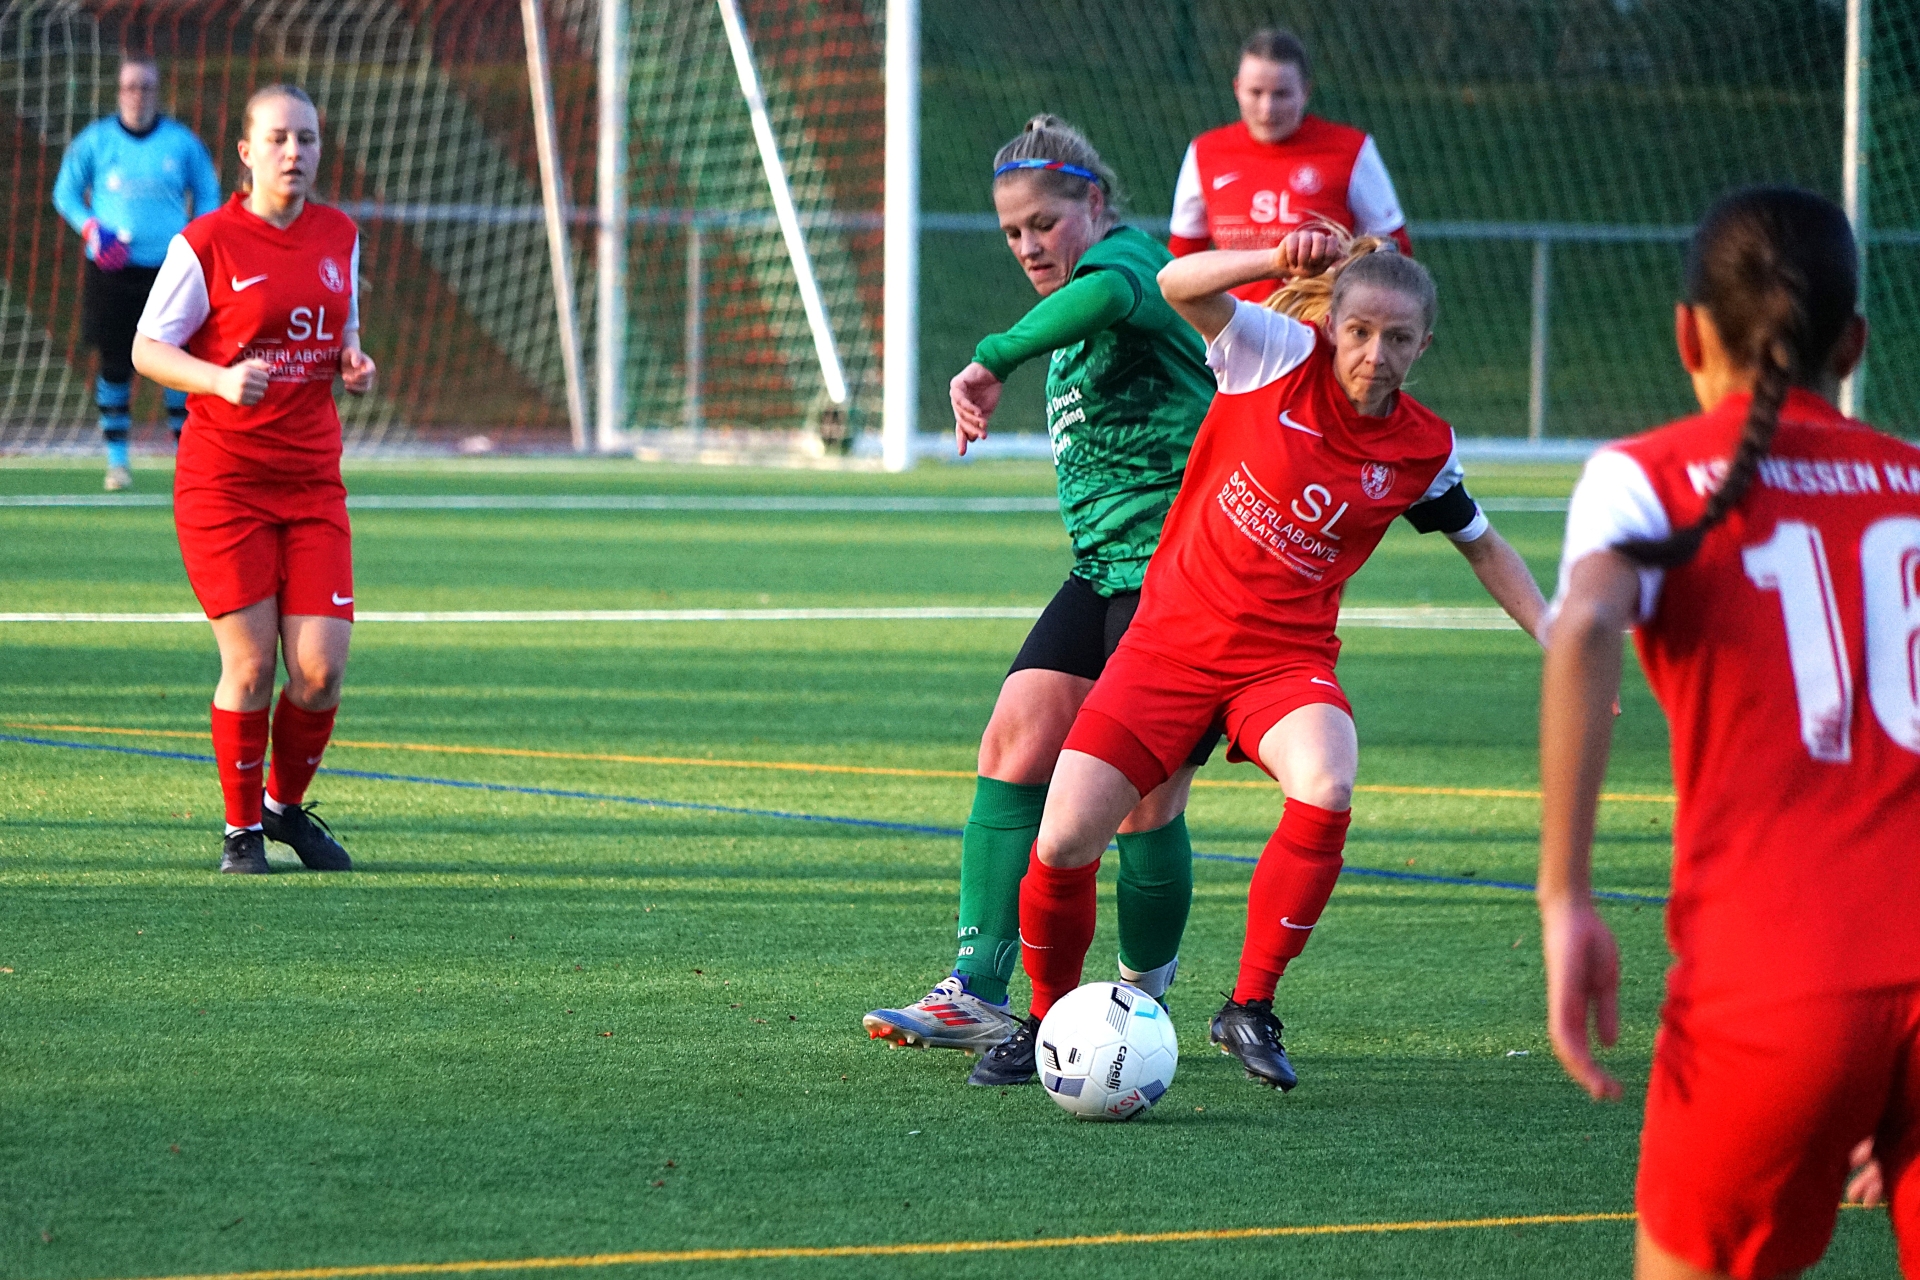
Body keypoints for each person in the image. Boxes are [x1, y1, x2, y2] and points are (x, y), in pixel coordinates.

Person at [969, 226, 1549, 1090]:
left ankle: (1249, 1006)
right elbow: (1177, 281)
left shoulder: (1424, 446)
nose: (1376, 354)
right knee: (1061, 840)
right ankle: (1048, 1021)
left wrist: (1559, 637)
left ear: (1424, 345)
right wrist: (1277, 259)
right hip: (1166, 647)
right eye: (1360, 332)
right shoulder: (1271, 355)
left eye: (1398, 338)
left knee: (1328, 780)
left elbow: (1484, 545)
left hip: (1281, 663)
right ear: (1332, 325)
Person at [1539, 186, 1920, 1279]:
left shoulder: (1645, 476)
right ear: (1853, 344)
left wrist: (1566, 898)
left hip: (1781, 983)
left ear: (1687, 334)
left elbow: (1585, 628)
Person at [862, 115, 1220, 1076]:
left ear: (1094, 204)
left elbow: (1108, 293)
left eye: (1043, 223)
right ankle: (976, 992)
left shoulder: (1130, 264)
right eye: (1012, 232)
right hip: (1101, 570)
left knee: (1144, 800)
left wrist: (992, 355)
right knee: (1013, 744)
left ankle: (1141, 999)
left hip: (1181, 577)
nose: (1027, 245)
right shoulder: (1073, 307)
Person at [131, 84, 375, 875]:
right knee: (251, 665)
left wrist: (353, 362)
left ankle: (282, 808)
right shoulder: (207, 243)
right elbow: (147, 348)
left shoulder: (339, 235)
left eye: (306, 138)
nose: (294, 152)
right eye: (277, 138)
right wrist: (218, 380)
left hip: (312, 483)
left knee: (320, 671)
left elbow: (339, 329)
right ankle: (241, 832)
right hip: (225, 484)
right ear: (246, 151)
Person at [53, 55, 222, 491]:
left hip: (170, 272)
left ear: (157, 92)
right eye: (130, 86)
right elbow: (65, 193)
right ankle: (117, 463)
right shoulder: (96, 141)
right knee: (115, 363)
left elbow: (208, 194)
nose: (138, 95)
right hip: (111, 272)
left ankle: (188, 461)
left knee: (178, 363)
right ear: (119, 91)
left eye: (146, 86)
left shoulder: (182, 143)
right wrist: (92, 229)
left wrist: (194, 239)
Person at [1168, 28, 1411, 304]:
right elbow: (1180, 260)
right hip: (1231, 326)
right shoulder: (1205, 151)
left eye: (1281, 94)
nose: (1267, 109)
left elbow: (1396, 253)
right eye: (1255, 92)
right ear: (1237, 89)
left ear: (1305, 91)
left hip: (1317, 326)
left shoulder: (1351, 149)